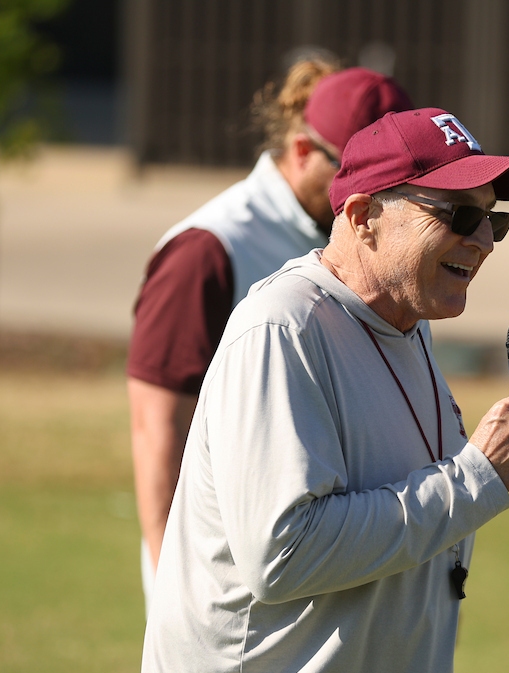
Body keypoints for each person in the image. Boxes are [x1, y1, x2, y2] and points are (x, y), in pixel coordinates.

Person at [129, 108, 509, 673]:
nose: (483, 240)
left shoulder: (405, 327)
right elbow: (284, 553)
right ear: (362, 215)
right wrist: (476, 478)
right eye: (455, 214)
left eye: (491, 220)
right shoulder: (283, 328)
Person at [126, 61, 412, 609]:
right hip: (228, 594)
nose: (379, 194)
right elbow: (157, 425)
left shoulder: (354, 241)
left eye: (398, 180)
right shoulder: (210, 249)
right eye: (359, 171)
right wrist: (175, 590)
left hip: (332, 567)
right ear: (303, 150)